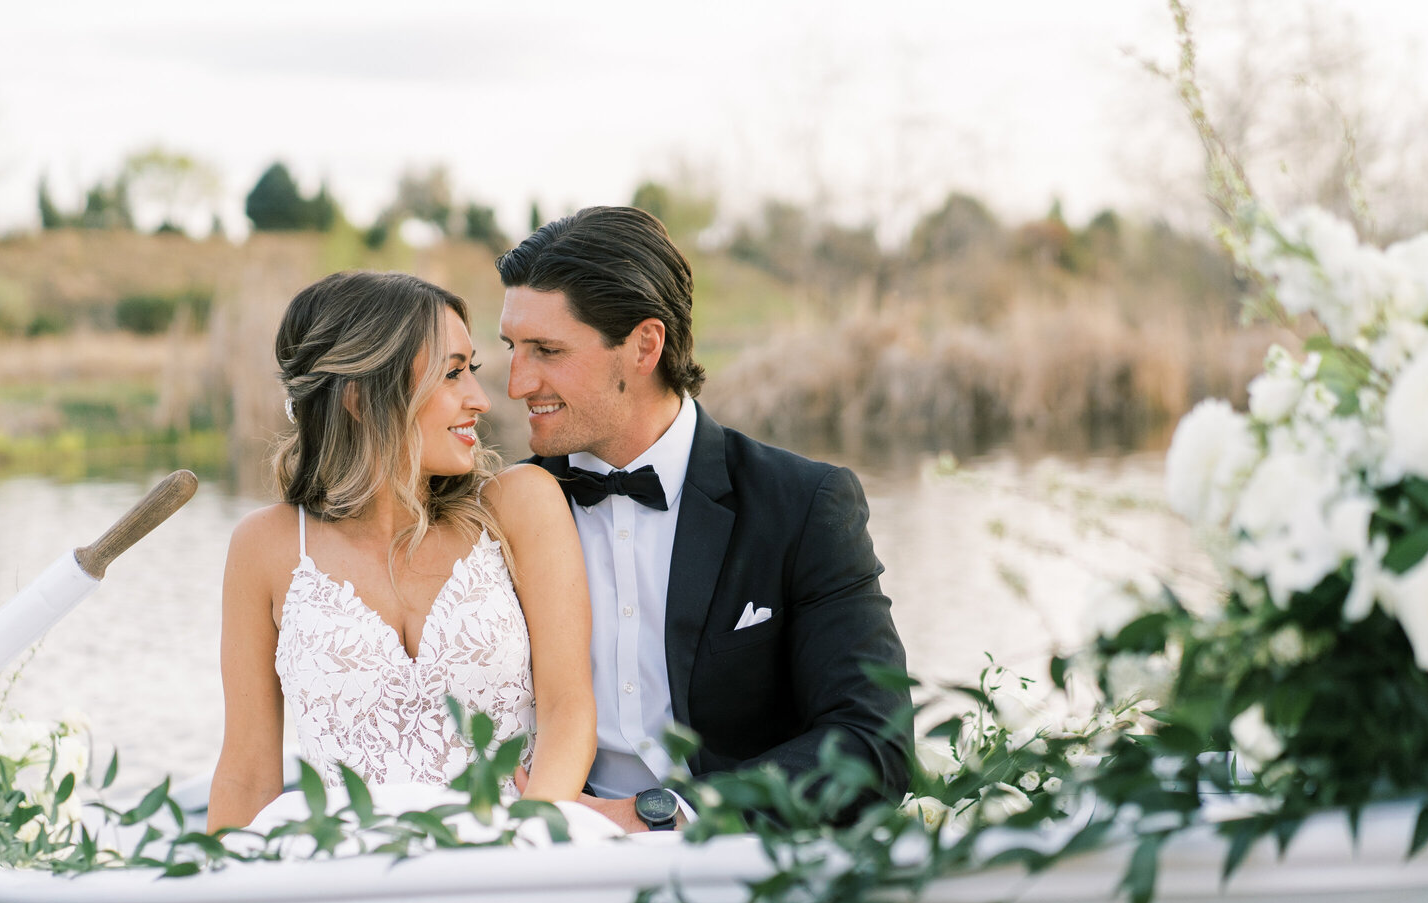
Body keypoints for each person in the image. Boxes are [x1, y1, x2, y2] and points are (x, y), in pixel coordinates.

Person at [497, 207, 912, 834]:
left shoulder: (802, 504)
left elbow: (874, 742)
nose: (516, 383)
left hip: (730, 864)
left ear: (644, 346)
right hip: (545, 856)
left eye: (547, 351)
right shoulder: (499, 513)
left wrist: (666, 816)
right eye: (512, 349)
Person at [207, 271, 598, 832]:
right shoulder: (264, 548)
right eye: (452, 373)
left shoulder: (520, 506)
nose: (481, 400)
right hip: (351, 869)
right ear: (363, 399)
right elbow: (246, 773)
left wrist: (526, 840)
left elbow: (569, 711)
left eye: (473, 370)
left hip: (517, 855)